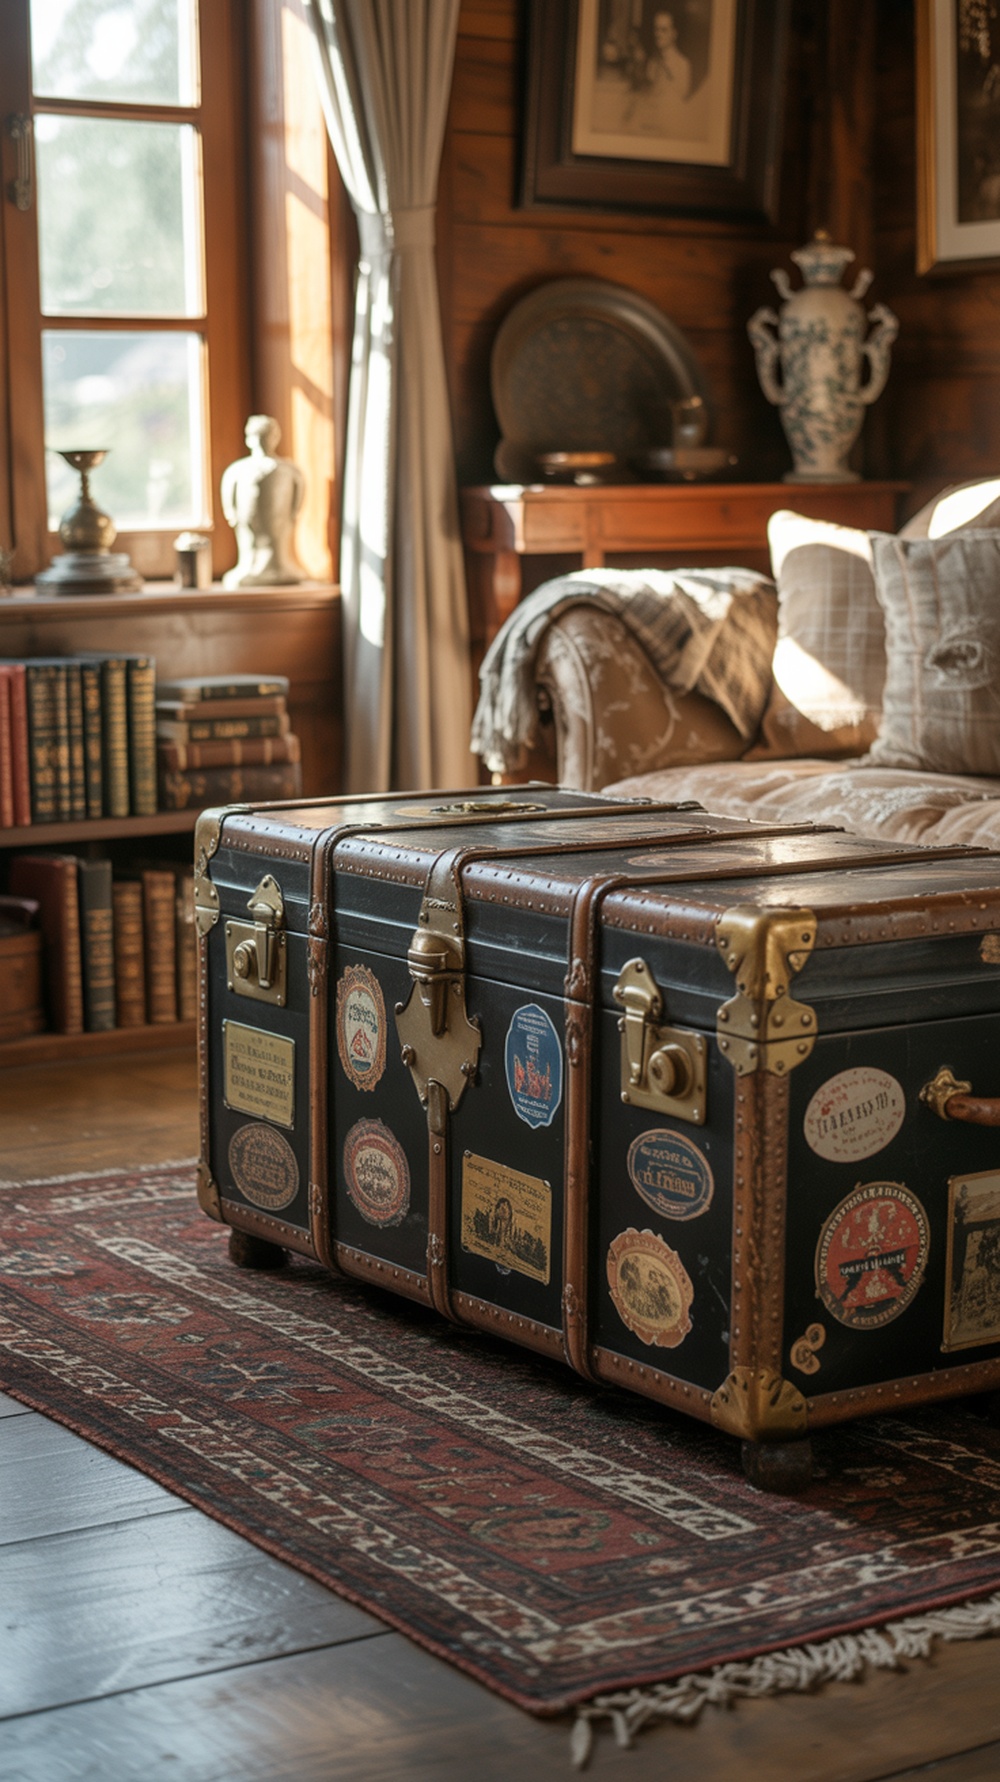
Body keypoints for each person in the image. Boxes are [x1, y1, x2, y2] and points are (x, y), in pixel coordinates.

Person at [221, 415, 306, 587]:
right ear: (249, 439)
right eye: (258, 436)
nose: (262, 441)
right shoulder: (239, 469)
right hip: (247, 518)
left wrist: (294, 512)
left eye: (268, 436)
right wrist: (231, 512)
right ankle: (250, 568)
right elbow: (228, 488)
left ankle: (279, 567)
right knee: (248, 540)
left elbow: (300, 488)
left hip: (279, 516)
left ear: (276, 438)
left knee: (278, 540)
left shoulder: (288, 469)